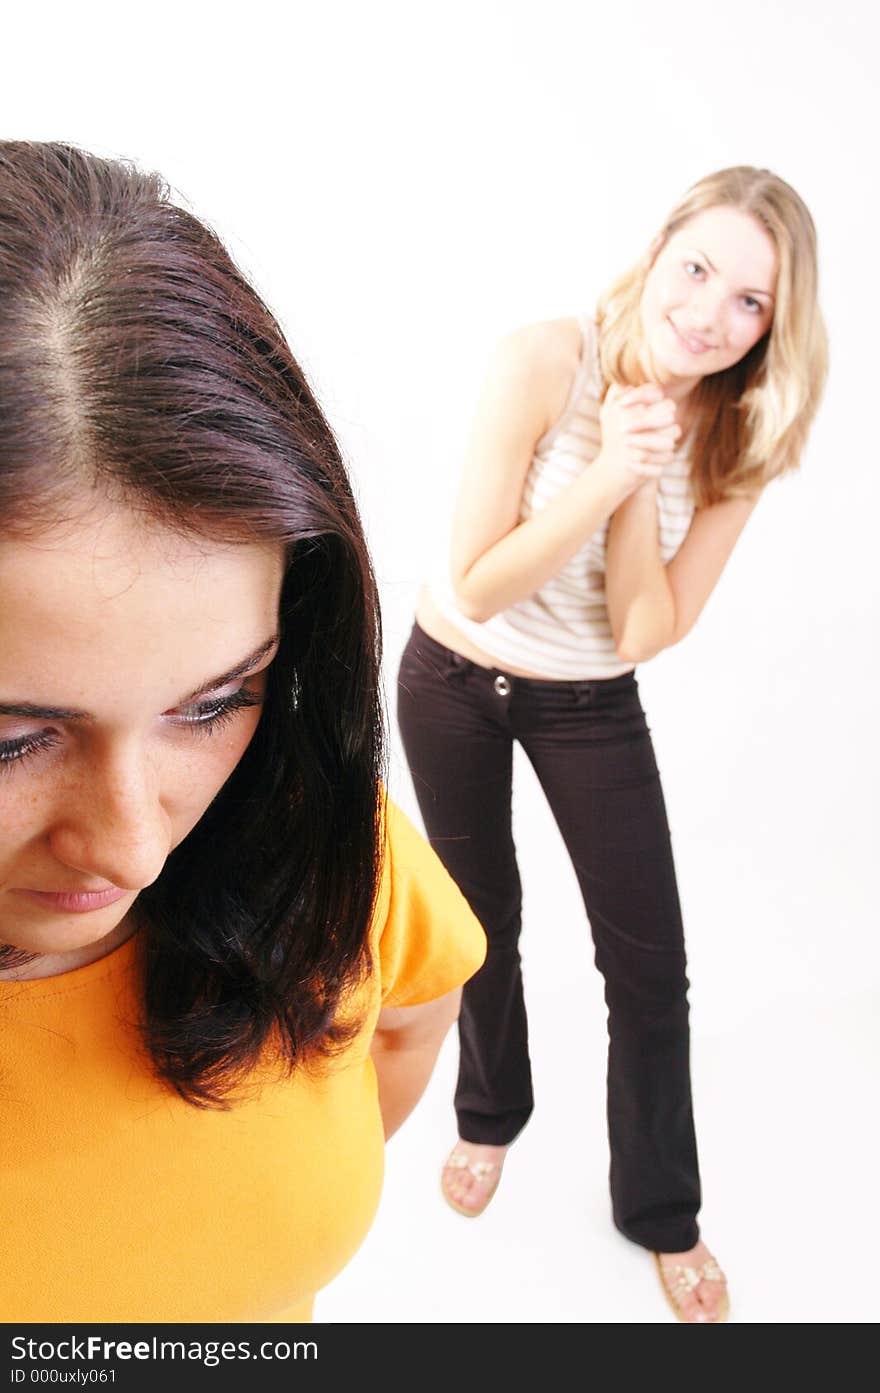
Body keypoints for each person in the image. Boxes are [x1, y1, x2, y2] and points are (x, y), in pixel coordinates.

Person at [0, 141, 486, 1325]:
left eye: (215, 702)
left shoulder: (316, 833)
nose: (129, 851)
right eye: (11, 739)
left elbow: (413, 1016)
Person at [396, 166, 827, 1323]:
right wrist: (605, 471)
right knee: (481, 922)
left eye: (750, 304)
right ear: (660, 244)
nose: (708, 313)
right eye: (699, 268)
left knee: (647, 966)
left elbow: (643, 630)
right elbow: (481, 582)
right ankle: (489, 1115)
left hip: (588, 701)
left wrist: (642, 481)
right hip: (449, 676)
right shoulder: (544, 357)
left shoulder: (741, 438)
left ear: (772, 329)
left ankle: (659, 1210)